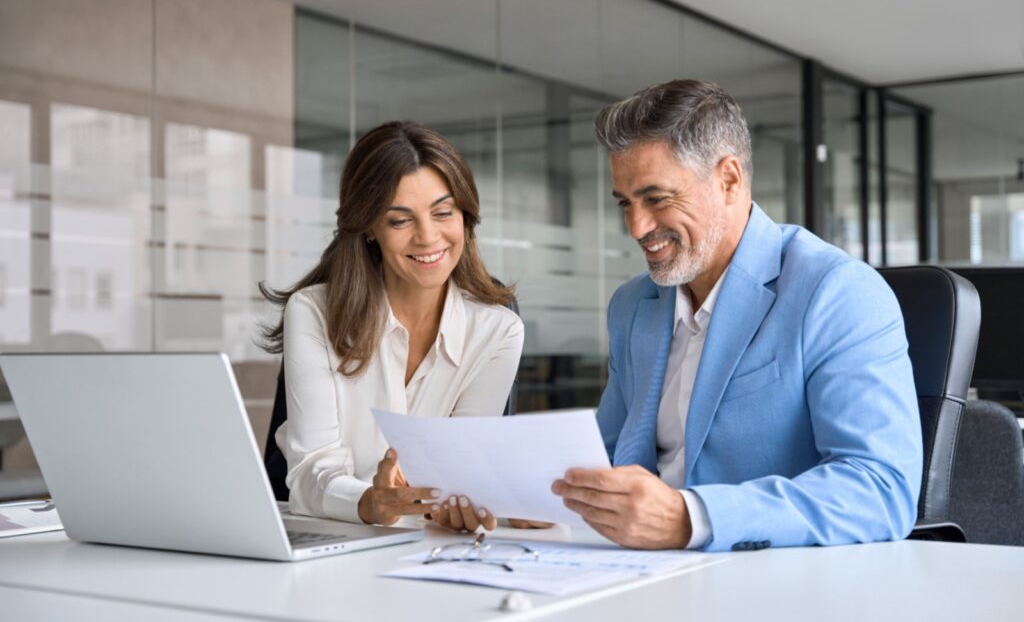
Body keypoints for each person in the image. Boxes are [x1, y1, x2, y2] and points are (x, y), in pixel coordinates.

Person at [552, 79, 922, 552]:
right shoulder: (633, 306)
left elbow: (881, 488)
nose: (636, 227)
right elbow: (601, 459)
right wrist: (524, 500)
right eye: (625, 203)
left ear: (728, 179)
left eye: (657, 198)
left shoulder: (836, 292)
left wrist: (693, 518)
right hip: (639, 574)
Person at [260, 121, 524, 533]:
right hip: (324, 538)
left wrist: (489, 499)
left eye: (443, 213)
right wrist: (369, 502)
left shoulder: (499, 330)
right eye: (400, 220)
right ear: (369, 227)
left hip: (421, 547)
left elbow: (461, 475)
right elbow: (311, 470)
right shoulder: (312, 311)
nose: (428, 237)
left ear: (465, 215)